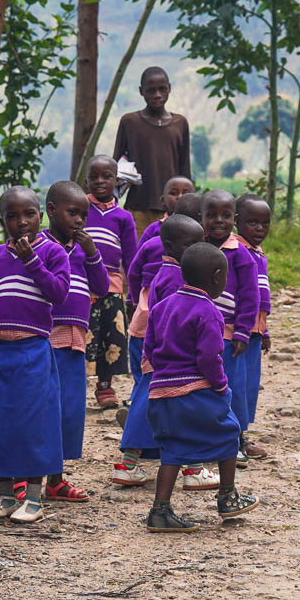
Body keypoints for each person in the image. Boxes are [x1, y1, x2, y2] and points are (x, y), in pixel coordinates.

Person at [142, 242, 262, 531]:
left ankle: (160, 510)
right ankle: (227, 496)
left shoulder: (161, 307)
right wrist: (221, 386)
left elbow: (149, 347)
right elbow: (208, 357)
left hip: (161, 391)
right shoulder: (208, 311)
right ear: (217, 276)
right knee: (229, 433)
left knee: (171, 448)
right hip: (195, 389)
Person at [0, 187, 71, 523]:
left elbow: (59, 293)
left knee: (36, 421)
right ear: (2, 220)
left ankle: (33, 497)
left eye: (28, 214)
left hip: (32, 349)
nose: (21, 223)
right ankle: (5, 496)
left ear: (41, 215)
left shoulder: (52, 252)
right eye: (12, 217)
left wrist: (31, 260)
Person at [114, 214, 205, 487]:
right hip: (169, 358)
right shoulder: (176, 278)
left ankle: (186, 467)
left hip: (160, 354)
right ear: (169, 245)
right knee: (175, 407)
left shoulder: (166, 273)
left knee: (162, 407)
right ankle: (192, 469)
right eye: (191, 245)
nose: (197, 251)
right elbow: (173, 321)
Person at [43, 180, 108, 502]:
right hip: (43, 336)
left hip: (75, 338)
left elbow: (103, 286)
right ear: (51, 211)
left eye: (84, 214)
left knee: (69, 409)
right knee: (43, 408)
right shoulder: (37, 244)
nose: (80, 221)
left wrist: (93, 253)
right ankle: (27, 476)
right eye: (72, 213)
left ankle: (55, 479)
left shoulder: (84, 249)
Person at [200, 191, 259, 457]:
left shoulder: (241, 255)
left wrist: (243, 332)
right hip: (200, 333)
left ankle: (235, 439)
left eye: (225, 216)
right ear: (201, 218)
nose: (218, 221)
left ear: (235, 220)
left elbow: (250, 296)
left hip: (228, 332)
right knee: (203, 384)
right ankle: (206, 438)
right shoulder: (196, 250)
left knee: (231, 385)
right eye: (211, 215)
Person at [82, 156, 138, 410]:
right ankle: (73, 382)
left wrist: (133, 295)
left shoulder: (123, 217)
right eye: (94, 177)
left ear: (117, 181)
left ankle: (105, 385)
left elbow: (131, 258)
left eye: (106, 176)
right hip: (82, 284)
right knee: (84, 334)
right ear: (86, 181)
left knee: (111, 335)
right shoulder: (80, 208)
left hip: (113, 285)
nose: (100, 181)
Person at [112, 67, 192, 231]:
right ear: (141, 91)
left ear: (169, 88)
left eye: (162, 89)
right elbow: (115, 164)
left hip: (171, 210)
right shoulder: (130, 122)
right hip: (138, 205)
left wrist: (187, 203)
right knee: (137, 253)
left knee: (168, 253)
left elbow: (185, 168)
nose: (157, 95)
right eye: (151, 90)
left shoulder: (180, 123)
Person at [234, 195, 273, 460]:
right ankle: (231, 439)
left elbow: (261, 299)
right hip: (238, 332)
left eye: (264, 223)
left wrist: (264, 330)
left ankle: (240, 435)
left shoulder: (260, 256)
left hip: (255, 332)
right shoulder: (235, 251)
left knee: (248, 387)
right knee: (235, 385)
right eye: (252, 222)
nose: (259, 228)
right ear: (237, 222)